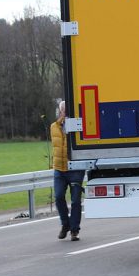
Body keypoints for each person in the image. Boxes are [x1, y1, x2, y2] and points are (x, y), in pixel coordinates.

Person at [51, 101, 85, 241]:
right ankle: (65, 224)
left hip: (75, 168)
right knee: (59, 197)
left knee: (75, 201)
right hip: (59, 169)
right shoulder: (54, 127)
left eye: (67, 110)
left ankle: (74, 230)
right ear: (60, 111)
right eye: (63, 110)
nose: (65, 113)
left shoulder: (79, 126)